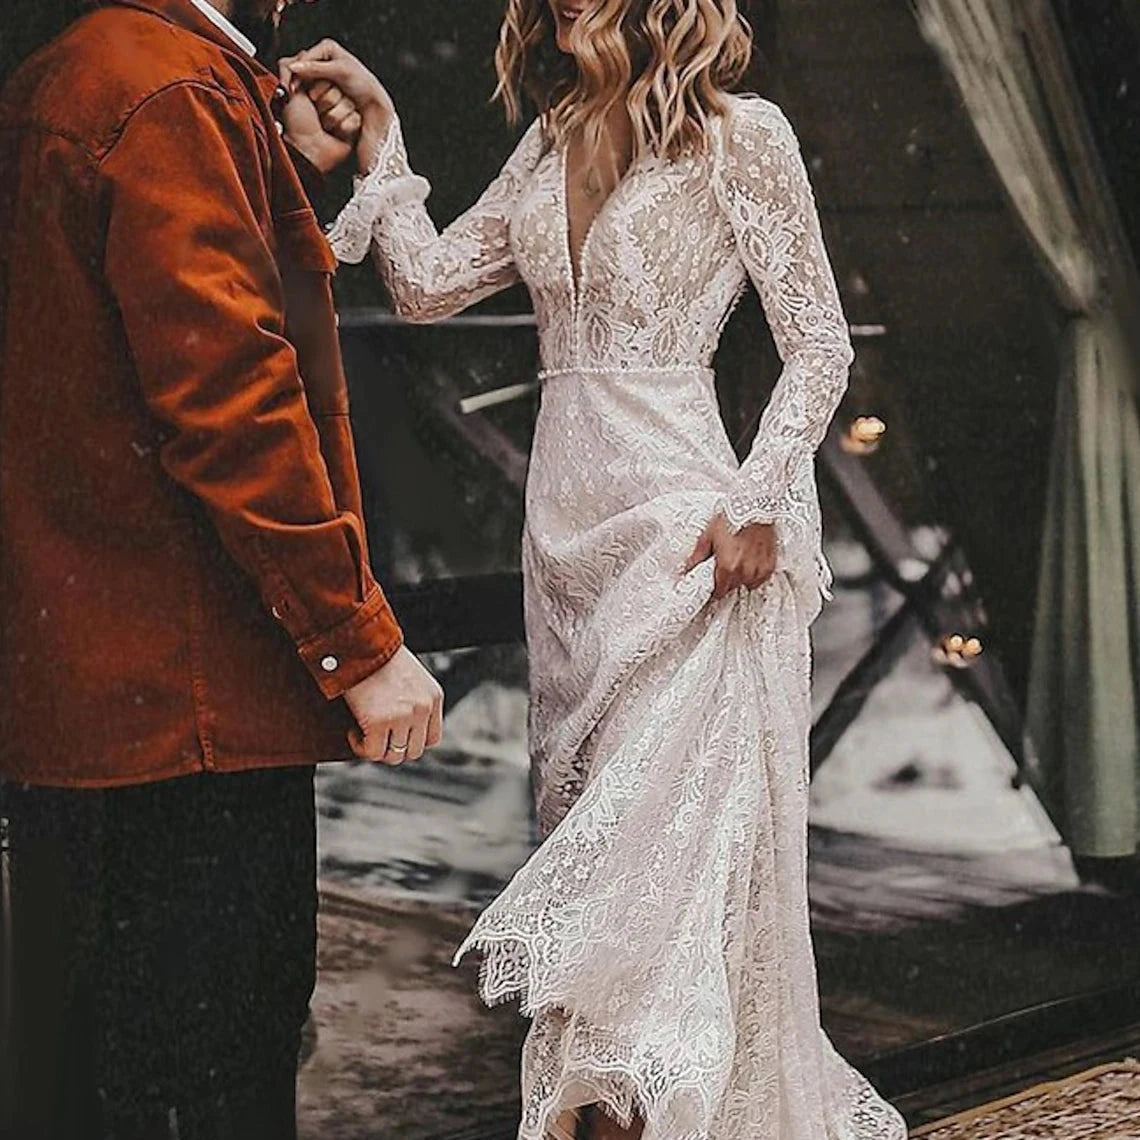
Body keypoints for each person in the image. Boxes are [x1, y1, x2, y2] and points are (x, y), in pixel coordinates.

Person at [285, 2, 907, 1137]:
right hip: (566, 555)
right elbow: (426, 285)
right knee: (598, 891)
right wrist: (380, 137)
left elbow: (817, 342)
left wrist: (759, 498)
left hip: (686, 545)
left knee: (649, 903)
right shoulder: (551, 137)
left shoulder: (741, 136)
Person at [0, 1, 443, 1137]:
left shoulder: (76, 75)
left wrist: (275, 156)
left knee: (79, 1075)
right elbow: (231, 398)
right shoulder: (171, 94)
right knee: (212, 1079)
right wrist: (356, 643)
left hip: (90, 701)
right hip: (194, 706)